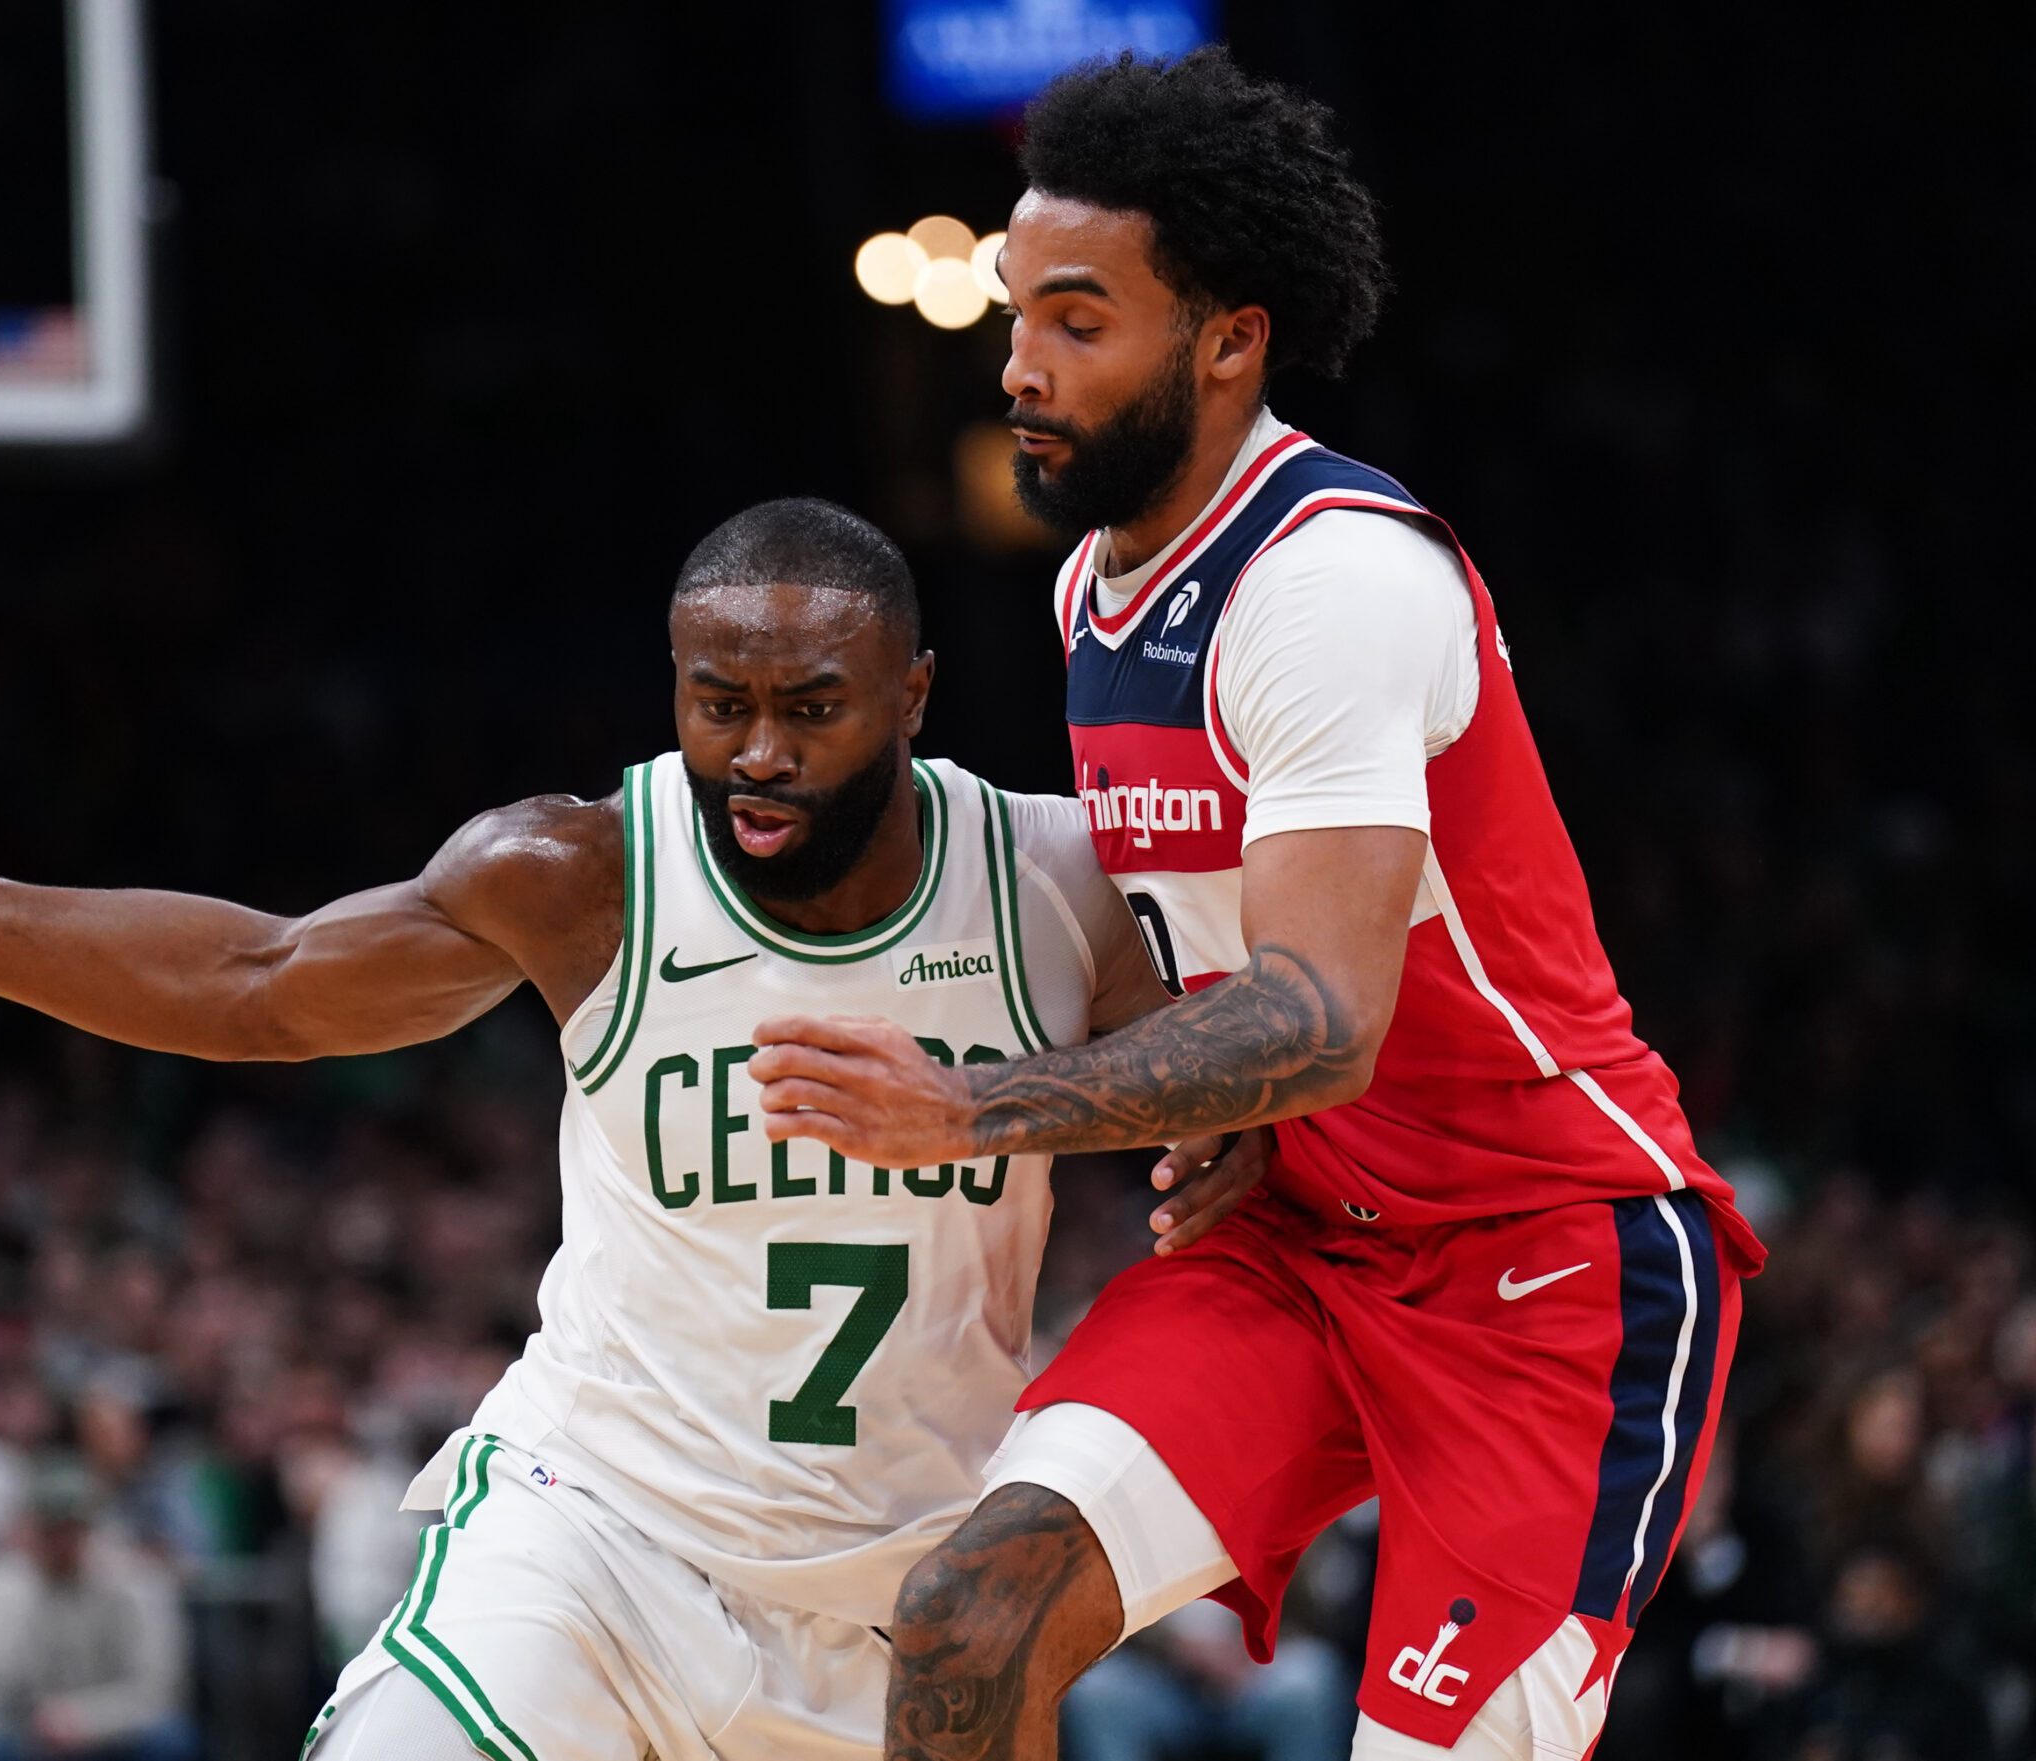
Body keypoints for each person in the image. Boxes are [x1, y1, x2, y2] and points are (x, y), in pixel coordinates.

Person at [0, 497, 1172, 1761]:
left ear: (912, 694)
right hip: (598, 1535)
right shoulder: (587, 875)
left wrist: (1221, 1132)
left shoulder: (1053, 883)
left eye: (813, 709)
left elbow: (1296, 1020)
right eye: (722, 703)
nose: (758, 752)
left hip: (908, 1600)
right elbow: (260, 981)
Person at [747, 48, 1767, 1761]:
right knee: (967, 1615)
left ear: (1230, 341)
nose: (1019, 367)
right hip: (1304, 1238)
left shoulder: (1336, 581)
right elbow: (1208, 972)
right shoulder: (1095, 588)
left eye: (1080, 321)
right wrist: (1227, 1104)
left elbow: (1319, 1016)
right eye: (1016, 317)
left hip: (1547, 1263)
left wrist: (974, 1109)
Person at [0, 1456, 196, 1761]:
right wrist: (26, 1590)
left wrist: (83, 1720)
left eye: (72, 1525)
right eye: (49, 1526)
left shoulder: (137, 1582)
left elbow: (157, 1687)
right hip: (17, 1733)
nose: (61, 1539)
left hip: (117, 1733)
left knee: (171, 1739)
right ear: (26, 1525)